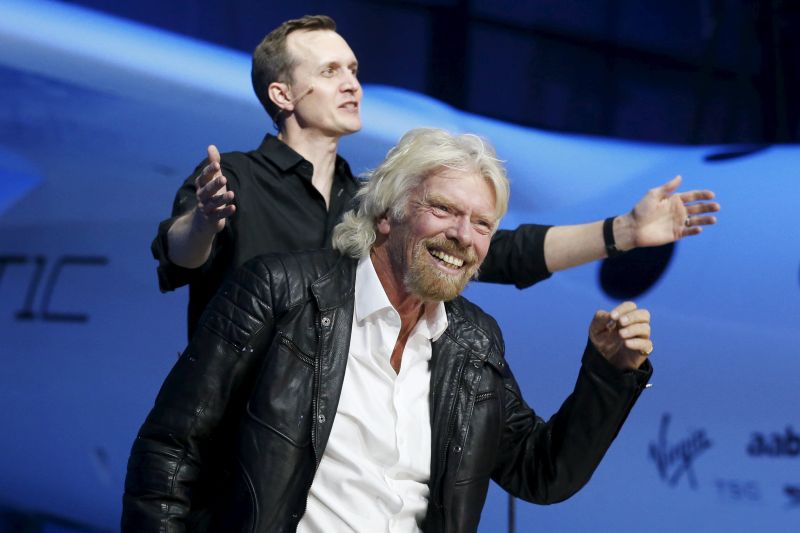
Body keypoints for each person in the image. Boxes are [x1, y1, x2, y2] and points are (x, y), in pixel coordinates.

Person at [124, 128, 654, 532]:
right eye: (443, 210)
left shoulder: (473, 343)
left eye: (482, 224)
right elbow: (170, 452)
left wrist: (608, 375)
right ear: (386, 214)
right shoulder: (279, 291)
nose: (462, 237)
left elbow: (541, 472)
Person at [151, 15, 719, 340]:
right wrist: (204, 220)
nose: (352, 82)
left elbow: (503, 252)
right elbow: (180, 256)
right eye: (330, 71)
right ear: (282, 93)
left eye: (353, 68)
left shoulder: (371, 200)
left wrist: (622, 232)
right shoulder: (234, 178)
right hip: (234, 455)